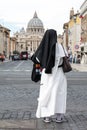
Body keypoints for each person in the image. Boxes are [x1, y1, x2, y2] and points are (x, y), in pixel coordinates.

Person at [31, 29, 67, 123]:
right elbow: (65, 58)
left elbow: (36, 60)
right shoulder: (60, 47)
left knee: (46, 94)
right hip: (59, 74)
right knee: (59, 94)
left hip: (47, 75)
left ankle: (46, 116)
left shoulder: (42, 48)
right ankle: (59, 116)